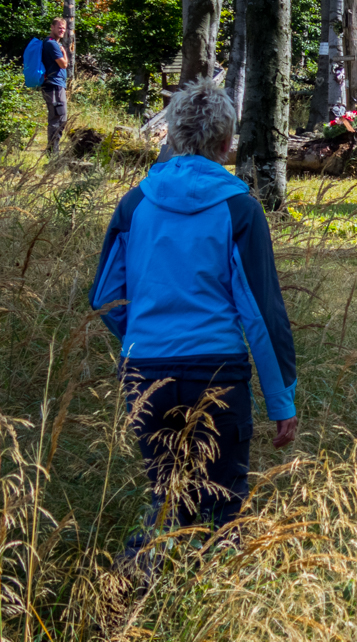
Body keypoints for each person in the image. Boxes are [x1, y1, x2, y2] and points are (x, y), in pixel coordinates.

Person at [89, 77, 298, 547]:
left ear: (172, 136)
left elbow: (104, 295)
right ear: (227, 143)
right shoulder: (240, 208)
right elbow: (261, 314)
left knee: (165, 502)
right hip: (218, 375)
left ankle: (130, 600)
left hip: (146, 374)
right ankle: (212, 613)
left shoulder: (136, 203)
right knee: (223, 507)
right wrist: (280, 401)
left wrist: (142, 336)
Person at [41, 18, 69, 153]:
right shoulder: (52, 44)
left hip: (55, 85)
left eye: (63, 28)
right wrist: (64, 53)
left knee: (59, 117)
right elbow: (63, 64)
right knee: (58, 117)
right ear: (52, 27)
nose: (62, 30)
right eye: (59, 27)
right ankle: (52, 151)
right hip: (53, 85)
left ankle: (52, 150)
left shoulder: (52, 43)